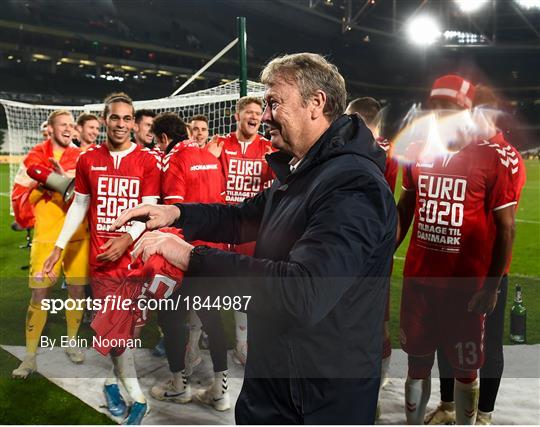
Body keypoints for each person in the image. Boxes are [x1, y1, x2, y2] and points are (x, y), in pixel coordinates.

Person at [111, 52, 397, 424]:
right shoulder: (307, 171)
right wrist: (176, 213)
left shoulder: (352, 184)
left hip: (317, 400)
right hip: (281, 382)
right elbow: (240, 218)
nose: (264, 115)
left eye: (274, 102)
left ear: (316, 104)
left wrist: (190, 255)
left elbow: (303, 293)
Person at [395, 75, 518, 425]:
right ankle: (414, 422)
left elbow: (506, 228)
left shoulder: (493, 157)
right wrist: (387, 248)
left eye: (449, 108)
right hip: (419, 279)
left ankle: (471, 419)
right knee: (417, 362)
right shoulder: (418, 150)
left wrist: (492, 286)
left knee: (467, 368)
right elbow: (406, 205)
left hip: (464, 286)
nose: (440, 114)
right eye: (435, 107)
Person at [42, 93, 161, 425]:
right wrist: (58, 247)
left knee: (124, 331)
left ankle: (119, 387)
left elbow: (149, 209)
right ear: (105, 119)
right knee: (117, 332)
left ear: (133, 122)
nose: (121, 124)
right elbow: (79, 205)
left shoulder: (148, 161)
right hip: (102, 262)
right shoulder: (87, 158)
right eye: (114, 117)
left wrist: (126, 238)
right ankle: (134, 397)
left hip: (134, 259)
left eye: (127, 118)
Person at [425, 85, 526, 425]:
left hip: (484, 272)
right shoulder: (463, 149)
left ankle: (484, 413)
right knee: (444, 338)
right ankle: (448, 405)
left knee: (488, 346)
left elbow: (506, 227)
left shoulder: (504, 155)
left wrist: (492, 284)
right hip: (450, 268)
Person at [149, 112, 231, 411]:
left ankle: (178, 386)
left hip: (188, 253)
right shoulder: (208, 156)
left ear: (163, 139)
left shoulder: (174, 160)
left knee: (171, 317)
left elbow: (175, 213)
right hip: (216, 250)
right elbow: (221, 206)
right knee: (213, 319)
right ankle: (221, 392)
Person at [12, 110, 89, 379]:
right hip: (46, 235)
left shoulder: (81, 157)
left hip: (78, 236)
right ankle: (30, 356)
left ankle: (70, 342)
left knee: (77, 291)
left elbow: (87, 197)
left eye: (71, 125)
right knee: (38, 294)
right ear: (51, 129)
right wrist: (40, 184)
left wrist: (63, 181)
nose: (69, 129)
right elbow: (19, 194)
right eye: (63, 125)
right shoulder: (34, 157)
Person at [202, 95, 274, 367]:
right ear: (237, 116)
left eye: (258, 112)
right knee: (210, 282)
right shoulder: (219, 145)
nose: (254, 116)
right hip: (221, 223)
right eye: (249, 112)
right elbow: (206, 179)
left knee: (245, 286)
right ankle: (207, 335)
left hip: (251, 228)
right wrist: (209, 159)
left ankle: (242, 345)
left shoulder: (268, 147)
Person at [346, 96, 399, 416]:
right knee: (378, 320)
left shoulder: (352, 147)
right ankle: (377, 389)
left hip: (350, 242)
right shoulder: (391, 150)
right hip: (380, 245)